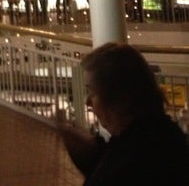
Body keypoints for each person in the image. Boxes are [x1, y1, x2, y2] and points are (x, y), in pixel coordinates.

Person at [59, 42, 189, 185]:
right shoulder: (162, 135)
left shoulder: (135, 161)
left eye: (92, 91)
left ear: (120, 98)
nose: (87, 101)